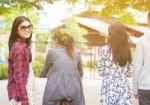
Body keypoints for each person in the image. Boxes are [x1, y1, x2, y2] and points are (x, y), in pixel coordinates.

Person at [39, 28, 85, 105]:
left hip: (56, 91)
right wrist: (79, 76)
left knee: (49, 100)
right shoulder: (76, 52)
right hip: (74, 91)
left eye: (54, 40)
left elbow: (45, 69)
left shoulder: (52, 52)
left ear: (56, 40)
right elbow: (81, 71)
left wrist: (42, 75)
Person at [98, 22, 132, 105]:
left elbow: (101, 72)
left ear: (110, 34)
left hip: (108, 87)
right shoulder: (127, 50)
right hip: (124, 87)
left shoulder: (104, 50)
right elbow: (130, 72)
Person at [7, 16, 35, 105]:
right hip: (22, 94)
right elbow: (18, 77)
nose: (27, 29)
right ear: (16, 30)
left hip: (26, 90)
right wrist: (25, 100)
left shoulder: (23, 45)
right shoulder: (19, 48)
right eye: (23, 27)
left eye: (29, 26)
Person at [133, 11, 150, 105]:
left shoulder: (142, 41)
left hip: (145, 87)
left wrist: (135, 88)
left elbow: (137, 66)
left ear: (148, 21)